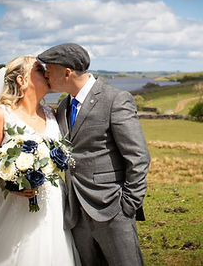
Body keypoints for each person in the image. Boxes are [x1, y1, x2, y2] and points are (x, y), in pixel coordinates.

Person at [38, 43, 151, 266]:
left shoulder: (115, 99)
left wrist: (127, 205)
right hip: (76, 213)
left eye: (49, 69)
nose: (46, 75)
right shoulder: (63, 106)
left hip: (112, 208)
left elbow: (138, 156)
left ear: (67, 72)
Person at [0, 56, 81, 266]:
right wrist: (9, 184)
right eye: (38, 69)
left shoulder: (51, 113)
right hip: (15, 203)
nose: (46, 71)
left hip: (53, 200)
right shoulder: (1, 115)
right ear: (21, 80)